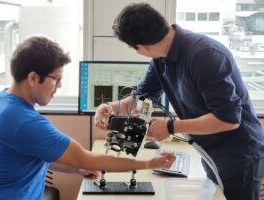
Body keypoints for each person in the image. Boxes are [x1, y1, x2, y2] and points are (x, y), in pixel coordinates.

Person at [94, 3, 264, 200]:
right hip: (210, 151)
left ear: (142, 47)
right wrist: (108, 107)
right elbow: (142, 96)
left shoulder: (204, 55)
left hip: (238, 155)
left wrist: (170, 126)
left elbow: (229, 119)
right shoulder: (160, 57)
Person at [0, 36, 176, 200]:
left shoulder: (0, 101)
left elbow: (34, 155)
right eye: (56, 79)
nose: (59, 86)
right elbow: (88, 158)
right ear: (33, 78)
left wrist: (77, 168)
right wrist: (150, 164)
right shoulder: (24, 122)